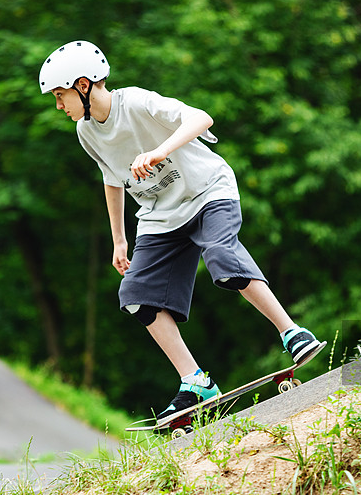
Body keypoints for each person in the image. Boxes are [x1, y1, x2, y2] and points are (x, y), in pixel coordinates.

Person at [39, 40, 325, 420]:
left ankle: (292, 333)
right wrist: (119, 239)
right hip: (160, 214)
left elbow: (200, 118)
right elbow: (111, 178)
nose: (60, 106)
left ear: (84, 85)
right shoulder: (87, 132)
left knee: (221, 255)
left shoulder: (136, 102)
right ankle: (196, 381)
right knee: (136, 294)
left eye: (61, 96)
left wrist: (159, 152)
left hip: (207, 191)